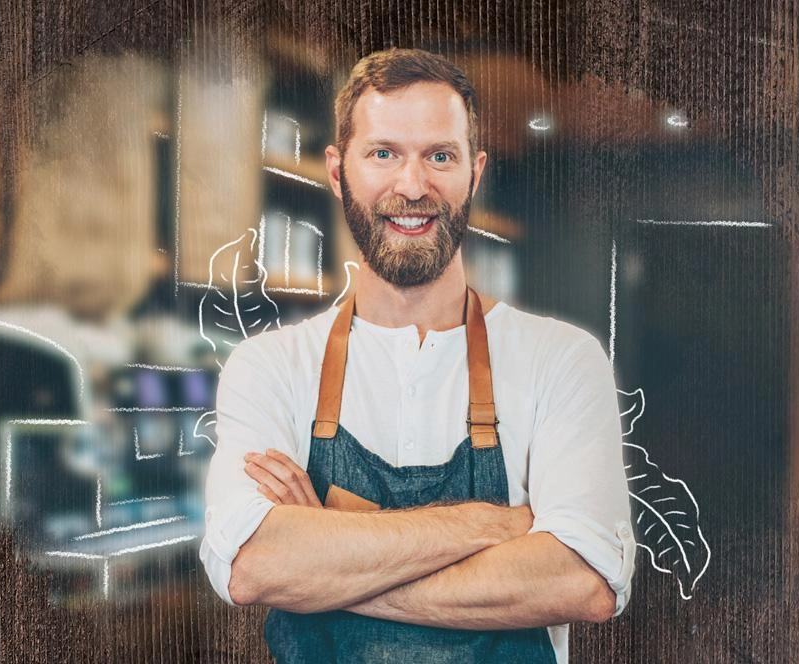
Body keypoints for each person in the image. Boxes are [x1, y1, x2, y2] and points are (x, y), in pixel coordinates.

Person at [200, 48, 635, 663]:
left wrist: (329, 557)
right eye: (383, 154)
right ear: (336, 171)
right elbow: (254, 567)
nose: (412, 186)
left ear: (475, 173)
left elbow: (582, 582)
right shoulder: (269, 366)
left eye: (440, 156)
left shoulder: (560, 360)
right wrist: (495, 525)